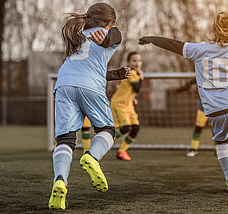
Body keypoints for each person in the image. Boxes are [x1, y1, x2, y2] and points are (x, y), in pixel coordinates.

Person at [138, 11, 228, 192]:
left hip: (214, 110)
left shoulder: (199, 49)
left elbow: (174, 45)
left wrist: (151, 38)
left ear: (214, 30)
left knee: (222, 142)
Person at [48, 3, 130, 209]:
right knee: (107, 130)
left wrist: (115, 74)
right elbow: (114, 37)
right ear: (111, 22)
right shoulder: (110, 32)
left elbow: (87, 67)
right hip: (90, 87)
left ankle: (60, 181)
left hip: (64, 84)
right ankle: (92, 157)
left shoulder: (78, 35)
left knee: (65, 139)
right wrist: (106, 41)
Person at [111, 52, 144, 161]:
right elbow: (137, 89)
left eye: (139, 61)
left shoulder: (133, 73)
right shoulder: (133, 73)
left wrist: (132, 98)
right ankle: (99, 146)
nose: (137, 63)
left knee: (135, 128)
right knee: (126, 128)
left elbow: (128, 89)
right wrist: (142, 78)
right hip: (119, 104)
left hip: (128, 105)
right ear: (129, 62)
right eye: (134, 61)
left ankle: (122, 151)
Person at [172, 79, 212, 157]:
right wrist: (179, 90)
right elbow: (190, 83)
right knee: (198, 127)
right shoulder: (201, 74)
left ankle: (218, 149)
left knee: (217, 129)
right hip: (203, 106)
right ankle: (193, 148)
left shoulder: (216, 75)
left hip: (216, 106)